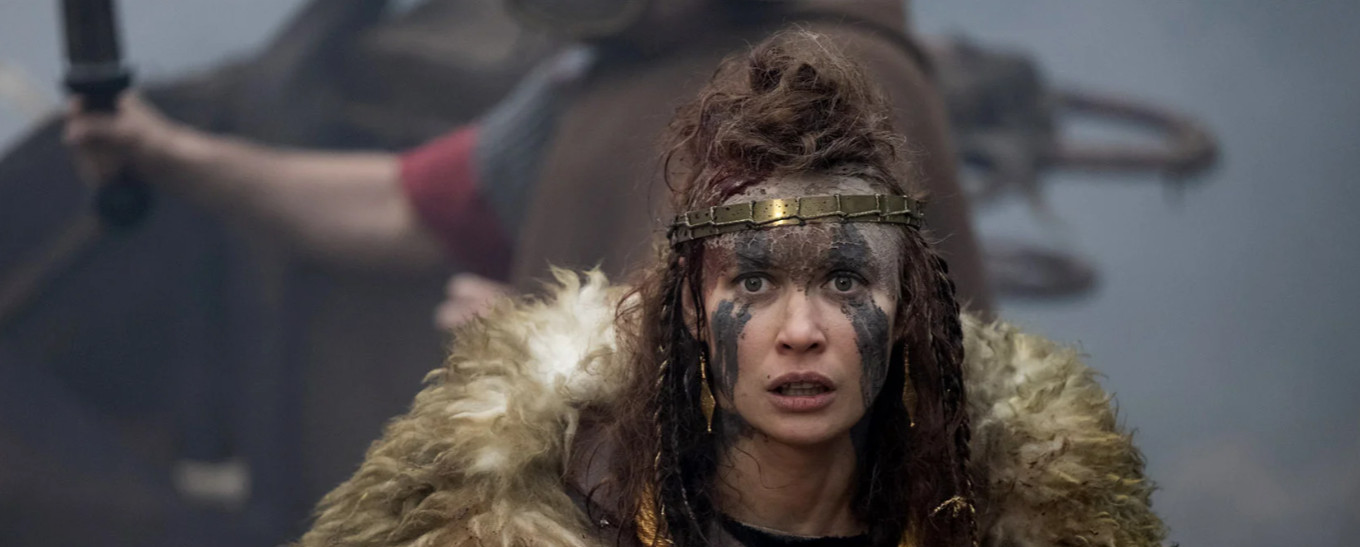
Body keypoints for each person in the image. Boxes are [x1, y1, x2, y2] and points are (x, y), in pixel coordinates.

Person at [230, 30, 1211, 547]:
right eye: (753, 279)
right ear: (691, 312)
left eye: (845, 279)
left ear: (905, 306)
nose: (800, 330)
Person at [63, 0, 990, 320]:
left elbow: (805, 364)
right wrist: (171, 154)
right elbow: (404, 206)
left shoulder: (829, 80)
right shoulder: (602, 88)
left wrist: (547, 362)